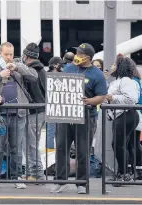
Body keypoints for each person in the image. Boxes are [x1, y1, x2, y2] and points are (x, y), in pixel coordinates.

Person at [51, 43, 107, 194]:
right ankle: (60, 181)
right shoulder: (69, 68)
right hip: (65, 115)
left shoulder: (97, 74)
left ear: (87, 57)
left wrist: (89, 101)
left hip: (86, 117)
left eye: (79, 54)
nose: (76, 56)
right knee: (62, 148)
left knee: (83, 151)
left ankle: (81, 183)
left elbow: (102, 96)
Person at [0, 42, 37, 189]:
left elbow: (34, 77)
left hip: (19, 113)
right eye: (6, 54)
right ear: (0, 53)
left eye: (11, 54)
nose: (9, 57)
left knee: (17, 147)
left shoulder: (18, 66)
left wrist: (17, 67)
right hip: (0, 114)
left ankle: (16, 177)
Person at [104, 54, 142, 185]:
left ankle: (123, 174)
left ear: (121, 66)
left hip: (126, 115)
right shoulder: (118, 81)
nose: (112, 66)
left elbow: (131, 99)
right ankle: (124, 173)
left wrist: (112, 98)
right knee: (120, 145)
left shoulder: (126, 80)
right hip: (121, 115)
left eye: (115, 64)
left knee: (117, 144)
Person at [19, 43, 47, 183]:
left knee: (31, 143)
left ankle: (37, 173)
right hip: (40, 110)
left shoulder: (32, 70)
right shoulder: (42, 70)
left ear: (26, 56)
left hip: (34, 111)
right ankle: (32, 172)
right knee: (30, 143)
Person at [45, 57, 63, 152]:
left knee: (51, 129)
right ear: (55, 65)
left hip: (51, 104)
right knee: (54, 129)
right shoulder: (63, 76)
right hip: (56, 105)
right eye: (61, 64)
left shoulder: (46, 75)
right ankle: (52, 149)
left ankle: (49, 149)